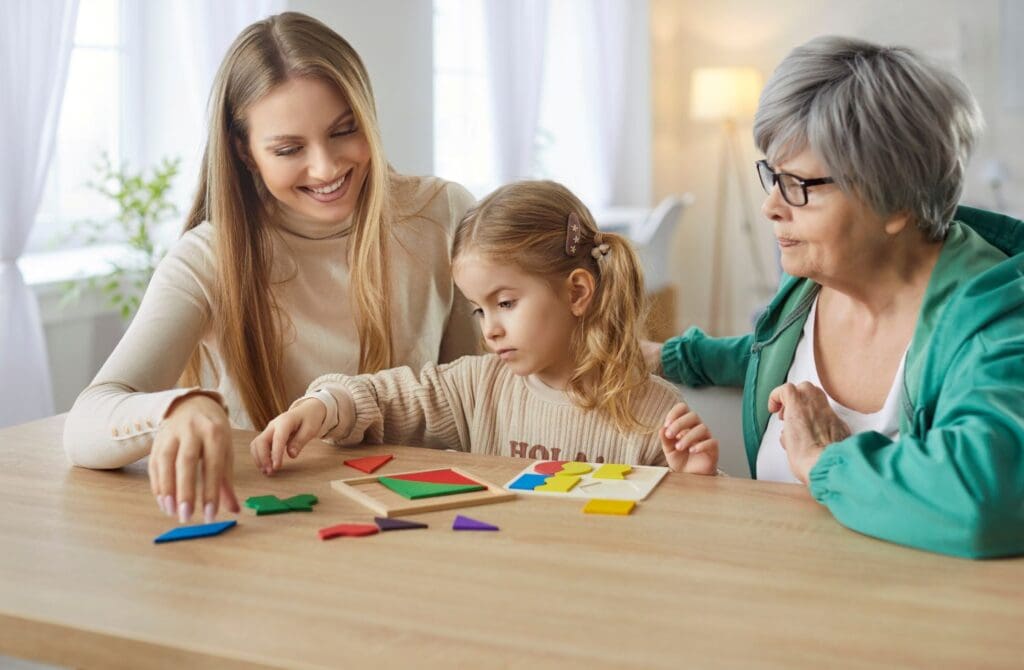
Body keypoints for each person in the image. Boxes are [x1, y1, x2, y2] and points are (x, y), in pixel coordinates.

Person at [62, 12, 481, 525]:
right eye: (289, 149)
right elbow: (85, 424)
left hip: (422, 517)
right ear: (244, 150)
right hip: (271, 527)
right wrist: (178, 408)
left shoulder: (442, 215)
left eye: (344, 130)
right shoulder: (208, 257)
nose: (326, 168)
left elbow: (482, 396)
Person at [644, 36, 1024, 558]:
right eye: (772, 177)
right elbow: (762, 350)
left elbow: (985, 501)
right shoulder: (810, 283)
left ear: (896, 200)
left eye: (799, 185)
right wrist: (671, 357)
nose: (771, 207)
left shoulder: (998, 319)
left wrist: (826, 461)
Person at [250, 180, 719, 475]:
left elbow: (685, 544)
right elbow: (380, 398)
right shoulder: (476, 388)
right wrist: (319, 406)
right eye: (479, 309)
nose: (489, 329)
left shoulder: (657, 415)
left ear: (577, 292)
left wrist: (695, 479)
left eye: (506, 303)